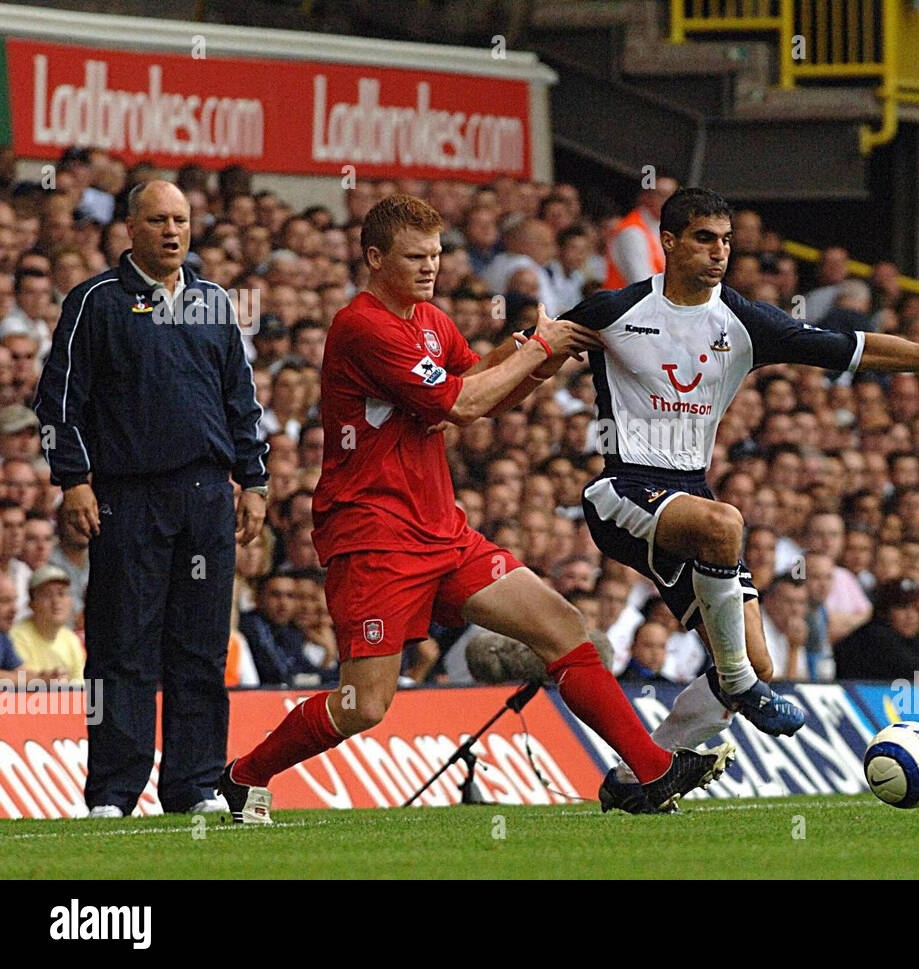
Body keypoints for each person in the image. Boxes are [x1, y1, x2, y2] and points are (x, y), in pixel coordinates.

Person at [218, 195, 731, 824]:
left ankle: (651, 772)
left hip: (441, 530)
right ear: (374, 258)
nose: (430, 267)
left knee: (563, 629)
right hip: (373, 535)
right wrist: (535, 352)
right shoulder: (362, 326)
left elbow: (480, 384)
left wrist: (535, 360)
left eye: (435, 255)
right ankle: (245, 776)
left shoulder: (430, 320)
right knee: (363, 704)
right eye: (415, 257)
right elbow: (459, 405)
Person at [564, 186, 919, 811]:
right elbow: (537, 346)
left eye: (726, 240)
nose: (719, 252)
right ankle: (739, 689)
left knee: (756, 658)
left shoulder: (743, 320)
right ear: (667, 242)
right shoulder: (615, 309)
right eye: (704, 238)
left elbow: (858, 349)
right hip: (622, 488)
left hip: (689, 491)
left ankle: (640, 781)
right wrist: (459, 393)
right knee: (726, 530)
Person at [34, 179, 268, 820]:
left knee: (199, 648)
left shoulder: (216, 302)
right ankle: (112, 794)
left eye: (182, 220)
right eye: (159, 220)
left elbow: (240, 402)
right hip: (126, 497)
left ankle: (194, 787)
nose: (172, 231)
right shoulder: (95, 302)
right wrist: (73, 479)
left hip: (205, 498)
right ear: (130, 228)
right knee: (121, 648)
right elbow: (58, 401)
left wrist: (254, 481)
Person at [833, 578, 919, 682]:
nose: (911, 615)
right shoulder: (878, 637)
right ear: (885, 612)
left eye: (918, 609)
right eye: (902, 607)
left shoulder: (911, 636)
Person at [11, 565, 83, 683]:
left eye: (62, 594)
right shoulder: (16, 637)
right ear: (31, 603)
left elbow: (81, 689)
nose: (56, 601)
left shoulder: (72, 640)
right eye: (47, 595)